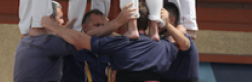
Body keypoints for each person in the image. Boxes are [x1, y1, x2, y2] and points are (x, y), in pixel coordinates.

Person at [42, 7, 188, 82]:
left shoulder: (118, 45)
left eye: (102, 24)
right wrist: (168, 24)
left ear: (127, 24)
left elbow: (81, 38)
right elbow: (186, 41)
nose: (101, 28)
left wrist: (113, 24)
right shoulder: (163, 46)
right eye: (97, 25)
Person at [13, 2, 74, 82]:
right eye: (60, 17)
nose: (62, 22)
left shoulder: (25, 41)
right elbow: (77, 43)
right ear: (50, 19)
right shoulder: (47, 42)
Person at [159, 2, 198, 82]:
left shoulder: (185, 39)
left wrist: (167, 25)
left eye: (160, 19)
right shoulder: (161, 41)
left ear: (171, 20)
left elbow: (185, 44)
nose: (157, 23)